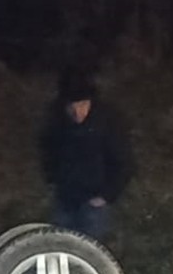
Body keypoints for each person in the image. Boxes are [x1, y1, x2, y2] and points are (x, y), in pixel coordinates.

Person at [38, 65, 134, 243]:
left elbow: (124, 161)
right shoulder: (56, 120)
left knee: (92, 252)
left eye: (82, 105)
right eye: (72, 106)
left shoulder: (108, 121)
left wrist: (106, 195)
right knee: (61, 247)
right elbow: (48, 150)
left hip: (94, 202)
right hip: (65, 199)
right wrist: (52, 179)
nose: (78, 112)